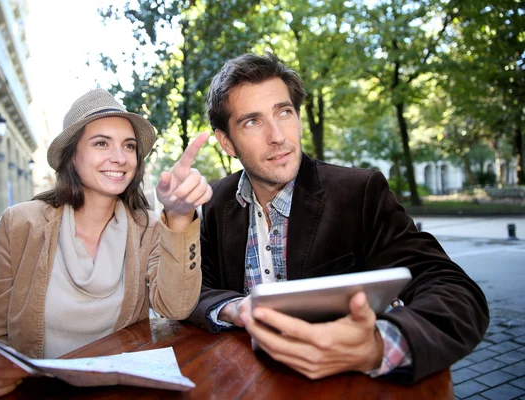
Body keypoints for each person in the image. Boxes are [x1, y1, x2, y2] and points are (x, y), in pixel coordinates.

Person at [188, 53, 489, 383]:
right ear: (226, 141)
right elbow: (192, 290)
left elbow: (453, 290)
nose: (277, 136)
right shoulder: (215, 202)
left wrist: (376, 346)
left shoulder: (360, 192)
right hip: (249, 384)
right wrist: (234, 308)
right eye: (252, 121)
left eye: (284, 112)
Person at [0, 89, 212, 399]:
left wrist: (180, 216)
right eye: (101, 143)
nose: (119, 157)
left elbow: (177, 307)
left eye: (128, 146)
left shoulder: (147, 227)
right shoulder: (19, 224)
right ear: (72, 156)